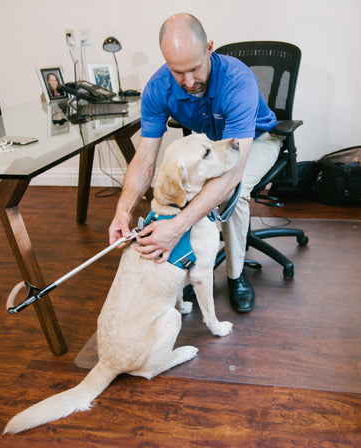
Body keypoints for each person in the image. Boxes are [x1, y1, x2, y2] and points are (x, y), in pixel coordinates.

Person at [108, 13, 281, 313]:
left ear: (210, 48)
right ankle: (189, 265)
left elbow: (232, 174)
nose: (188, 82)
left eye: (194, 69)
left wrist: (176, 226)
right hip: (214, 144)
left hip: (259, 140)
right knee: (184, 190)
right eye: (178, 72)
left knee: (234, 193)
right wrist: (123, 210)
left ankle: (236, 275)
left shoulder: (238, 81)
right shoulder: (157, 88)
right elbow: (145, 158)